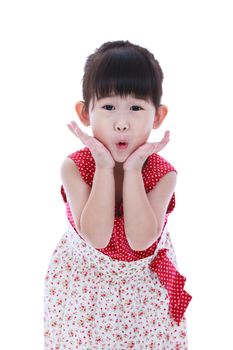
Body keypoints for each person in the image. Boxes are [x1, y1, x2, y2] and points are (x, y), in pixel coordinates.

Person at [44, 40, 192, 349]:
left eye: (136, 108)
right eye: (109, 107)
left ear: (157, 117)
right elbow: (97, 237)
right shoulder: (74, 168)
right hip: (87, 292)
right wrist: (102, 166)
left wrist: (135, 169)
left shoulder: (164, 175)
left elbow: (140, 240)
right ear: (85, 113)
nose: (121, 123)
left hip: (143, 294)